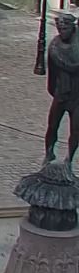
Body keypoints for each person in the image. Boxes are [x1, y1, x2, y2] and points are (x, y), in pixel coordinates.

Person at [46, 13, 79, 165]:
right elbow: (52, 72)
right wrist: (54, 90)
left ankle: (69, 160)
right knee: (52, 125)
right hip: (61, 93)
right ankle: (49, 154)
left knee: (76, 130)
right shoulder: (55, 46)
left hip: (77, 96)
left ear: (72, 27)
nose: (62, 31)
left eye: (65, 28)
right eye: (60, 28)